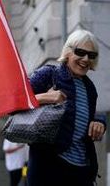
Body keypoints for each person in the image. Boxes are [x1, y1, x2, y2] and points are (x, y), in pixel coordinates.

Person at [27, 29, 106, 186]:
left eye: (91, 55)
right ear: (68, 51)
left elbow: (87, 119)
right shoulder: (49, 74)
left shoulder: (90, 89)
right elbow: (14, 103)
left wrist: (99, 121)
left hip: (82, 171)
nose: (85, 59)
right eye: (80, 52)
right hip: (49, 169)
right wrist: (44, 97)